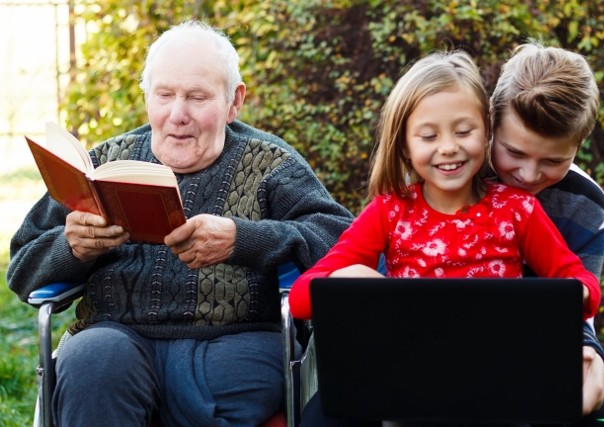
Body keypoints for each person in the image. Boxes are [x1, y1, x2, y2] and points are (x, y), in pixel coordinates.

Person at [7, 20, 353, 427]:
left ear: (233, 101)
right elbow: (22, 268)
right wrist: (72, 248)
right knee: (93, 360)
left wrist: (244, 240)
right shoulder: (103, 163)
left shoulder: (273, 166)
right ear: (147, 98)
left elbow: (341, 238)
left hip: (232, 347)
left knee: (236, 376)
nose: (178, 115)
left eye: (197, 97)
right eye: (165, 95)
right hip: (116, 339)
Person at [287, 49, 602, 426]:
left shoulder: (518, 209)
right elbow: (304, 297)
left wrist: (573, 297)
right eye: (428, 135)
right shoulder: (388, 212)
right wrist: (345, 280)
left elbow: (580, 281)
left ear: (485, 134)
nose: (449, 147)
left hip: (499, 376)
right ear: (405, 145)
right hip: (407, 377)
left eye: (464, 131)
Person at [490, 42, 604, 424]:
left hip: (541, 359)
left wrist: (592, 356)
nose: (529, 175)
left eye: (554, 160)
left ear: (578, 146)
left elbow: (577, 307)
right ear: (491, 124)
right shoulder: (448, 180)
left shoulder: (587, 206)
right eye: (513, 152)